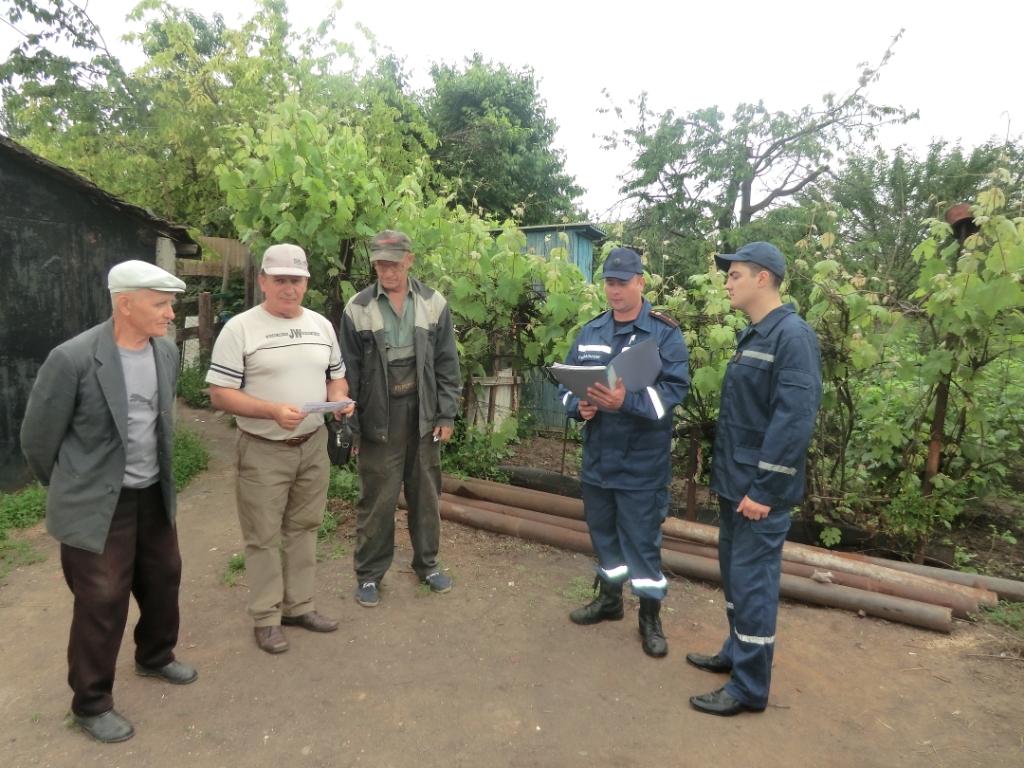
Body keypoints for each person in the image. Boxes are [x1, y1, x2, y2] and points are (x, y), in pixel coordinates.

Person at [20, 260, 196, 743]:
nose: (169, 314)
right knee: (102, 599)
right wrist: (73, 489)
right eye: (160, 304)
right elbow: (38, 440)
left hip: (153, 494)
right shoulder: (73, 359)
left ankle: (155, 656)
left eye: (170, 304)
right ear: (126, 304)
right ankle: (91, 703)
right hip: (99, 503)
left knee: (164, 576)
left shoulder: (164, 354)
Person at [687, 241, 822, 716]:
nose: (727, 283)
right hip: (735, 485)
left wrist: (765, 489)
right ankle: (735, 652)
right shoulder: (756, 334)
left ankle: (748, 687)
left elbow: (795, 420)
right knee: (735, 577)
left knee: (754, 584)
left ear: (763, 278)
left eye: (735, 275)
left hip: (758, 492)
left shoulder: (792, 337)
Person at [206, 244, 354, 654]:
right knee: (263, 536)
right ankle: (267, 618)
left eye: (297, 280)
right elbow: (219, 394)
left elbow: (335, 379)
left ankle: (299, 606)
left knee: (306, 528)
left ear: (306, 283)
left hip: (313, 444)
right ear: (263, 282)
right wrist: (270, 410)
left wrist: (339, 399)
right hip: (263, 448)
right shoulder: (240, 329)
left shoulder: (322, 326)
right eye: (281, 280)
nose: (289, 288)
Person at [559, 247, 690, 657]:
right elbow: (566, 383)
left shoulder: (663, 333)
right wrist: (576, 407)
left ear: (641, 283)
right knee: (604, 537)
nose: (614, 291)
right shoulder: (591, 331)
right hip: (599, 460)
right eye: (609, 283)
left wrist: (626, 403)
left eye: (622, 282)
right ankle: (610, 600)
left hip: (642, 464)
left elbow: (672, 393)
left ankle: (649, 617)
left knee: (643, 543)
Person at [340, 229, 461, 608]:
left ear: (409, 260)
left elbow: (446, 364)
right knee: (377, 497)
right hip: (379, 415)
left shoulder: (433, 303)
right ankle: (370, 575)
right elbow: (349, 371)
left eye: (392, 263)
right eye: (379, 263)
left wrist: (446, 413)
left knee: (426, 493)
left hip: (423, 413)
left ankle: (427, 565)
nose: (385, 270)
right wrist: (351, 423)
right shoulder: (357, 307)